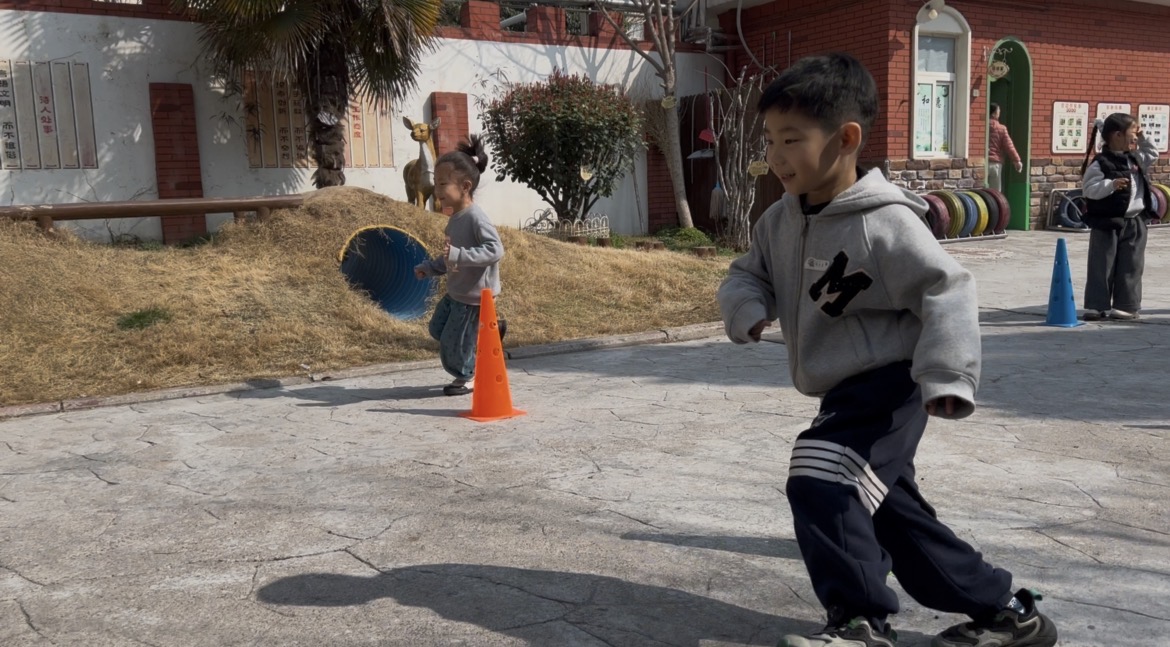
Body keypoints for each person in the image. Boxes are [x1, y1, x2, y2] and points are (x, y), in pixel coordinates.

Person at [717, 53, 1058, 647]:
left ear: (846, 139)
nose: (776, 156)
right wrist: (746, 308)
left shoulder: (886, 224)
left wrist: (947, 375)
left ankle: (858, 622)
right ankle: (1008, 611)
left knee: (821, 478)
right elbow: (748, 273)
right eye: (769, 140)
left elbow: (946, 289)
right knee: (893, 515)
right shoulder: (779, 219)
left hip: (891, 383)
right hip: (841, 387)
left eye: (791, 140)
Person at [414, 134, 506, 396]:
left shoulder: (476, 218)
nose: (437, 190)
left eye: (443, 183)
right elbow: (450, 257)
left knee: (453, 344)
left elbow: (495, 250)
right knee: (437, 329)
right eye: (436, 183)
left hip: (474, 298)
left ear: (465, 186)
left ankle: (467, 377)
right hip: (456, 293)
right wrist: (430, 268)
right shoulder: (455, 218)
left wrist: (459, 255)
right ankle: (488, 332)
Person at [1079, 113, 1157, 321]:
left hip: (1135, 220)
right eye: (1132, 133)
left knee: (1132, 265)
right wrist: (1110, 185)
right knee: (1101, 265)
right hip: (1107, 222)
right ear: (1117, 135)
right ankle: (1096, 305)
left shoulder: (1135, 158)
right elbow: (1089, 189)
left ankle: (1126, 306)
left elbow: (1152, 153)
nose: (1135, 137)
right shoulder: (1100, 163)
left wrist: (1143, 136)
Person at [987, 103, 1023, 192]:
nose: (999, 113)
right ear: (994, 113)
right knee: (995, 192)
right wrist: (1017, 161)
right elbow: (1009, 146)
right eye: (998, 111)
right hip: (995, 164)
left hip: (983, 163)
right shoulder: (1001, 129)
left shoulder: (982, 126)